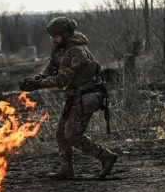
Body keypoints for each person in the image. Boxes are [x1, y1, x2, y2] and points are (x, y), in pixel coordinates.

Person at [19, 16, 118, 179]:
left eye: (56, 36)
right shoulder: (60, 47)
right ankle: (66, 170)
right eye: (52, 36)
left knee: (72, 135)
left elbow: (62, 78)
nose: (53, 39)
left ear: (65, 34)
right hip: (73, 96)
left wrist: (39, 85)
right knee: (60, 133)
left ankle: (106, 157)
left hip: (85, 96)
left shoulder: (76, 51)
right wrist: (36, 79)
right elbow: (51, 68)